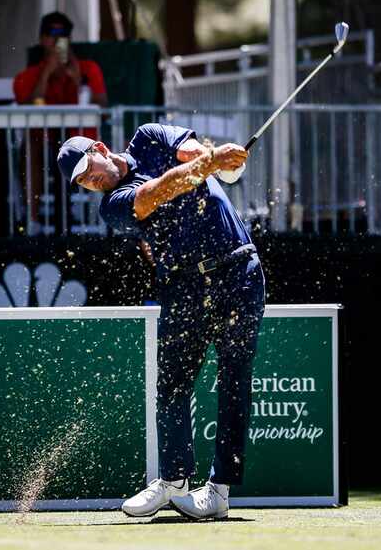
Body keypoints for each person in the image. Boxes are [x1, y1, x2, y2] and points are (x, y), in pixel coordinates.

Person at [56, 124, 264, 520]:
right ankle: (173, 481)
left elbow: (188, 152)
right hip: (184, 285)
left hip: (238, 270)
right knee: (171, 385)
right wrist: (212, 162)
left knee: (235, 381)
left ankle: (218, 492)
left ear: (100, 148)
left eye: (88, 167)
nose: (90, 180)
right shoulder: (113, 203)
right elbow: (154, 194)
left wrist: (218, 158)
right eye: (81, 180)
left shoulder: (149, 136)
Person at [14, 11, 108, 234]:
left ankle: (97, 218)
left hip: (83, 142)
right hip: (44, 141)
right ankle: (33, 220)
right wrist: (47, 74)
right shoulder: (30, 74)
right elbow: (26, 107)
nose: (57, 40)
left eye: (63, 35)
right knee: (30, 148)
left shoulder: (88, 68)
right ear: (42, 40)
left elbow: (103, 109)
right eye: (51, 34)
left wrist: (77, 82)